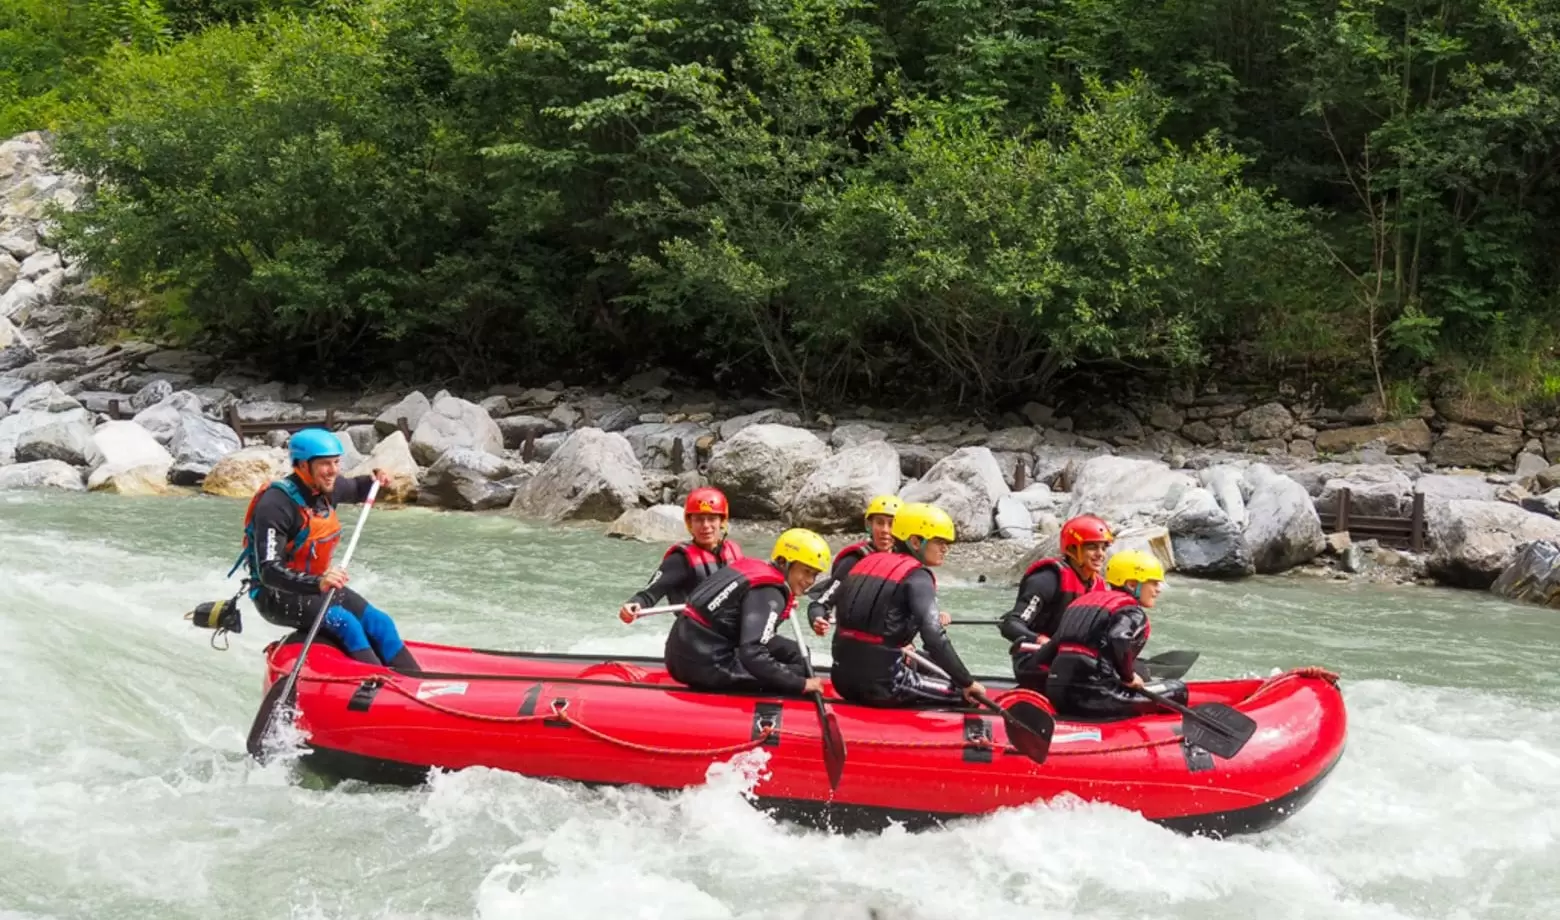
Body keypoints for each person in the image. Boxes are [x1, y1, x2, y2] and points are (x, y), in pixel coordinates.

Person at [232, 428, 419, 671]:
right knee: (345, 624)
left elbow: (355, 487)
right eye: (325, 464)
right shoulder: (276, 505)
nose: (333, 471)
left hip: (319, 586)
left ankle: (416, 685)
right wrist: (317, 583)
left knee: (380, 623)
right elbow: (269, 571)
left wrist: (375, 480)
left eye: (336, 462)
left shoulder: (327, 489)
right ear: (302, 465)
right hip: (277, 595)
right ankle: (378, 687)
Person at [827, 502, 986, 706]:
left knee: (930, 662)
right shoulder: (918, 576)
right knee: (967, 696)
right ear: (915, 542)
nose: (945, 548)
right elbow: (933, 636)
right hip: (885, 686)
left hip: (841, 680)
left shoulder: (866, 562)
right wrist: (967, 682)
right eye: (939, 541)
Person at [663, 528, 833, 695]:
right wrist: (801, 684)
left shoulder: (757, 569)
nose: (810, 581)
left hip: (690, 648)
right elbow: (753, 653)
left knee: (798, 654)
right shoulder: (770, 592)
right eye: (806, 571)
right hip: (703, 663)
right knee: (796, 673)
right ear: (783, 562)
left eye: (815, 575)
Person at [1034, 549, 1189, 720]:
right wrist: (1128, 677)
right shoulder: (1132, 611)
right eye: (1153, 583)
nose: (1158, 590)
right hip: (1096, 697)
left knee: (1141, 671)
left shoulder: (1080, 604)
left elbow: (1044, 657)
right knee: (1177, 688)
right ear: (1131, 584)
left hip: (1058, 694)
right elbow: (1119, 637)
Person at [1000, 514, 1113, 690]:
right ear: (1073, 549)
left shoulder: (1100, 586)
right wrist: (1040, 640)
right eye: (1092, 547)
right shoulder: (1047, 580)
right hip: (1034, 660)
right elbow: (1010, 624)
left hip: (1073, 659)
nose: (1100, 554)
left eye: (1103, 548)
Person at [619, 487, 743, 623]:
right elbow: (650, 592)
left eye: (712, 519)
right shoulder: (680, 559)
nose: (706, 525)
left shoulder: (733, 551)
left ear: (722, 522)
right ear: (690, 523)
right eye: (699, 520)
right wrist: (635, 604)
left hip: (729, 629)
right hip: (696, 633)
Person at [803, 494, 900, 635]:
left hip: (891, 642)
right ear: (869, 525)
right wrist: (817, 619)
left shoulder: (904, 562)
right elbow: (820, 604)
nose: (885, 530)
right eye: (879, 522)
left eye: (891, 524)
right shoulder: (853, 561)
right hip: (855, 643)